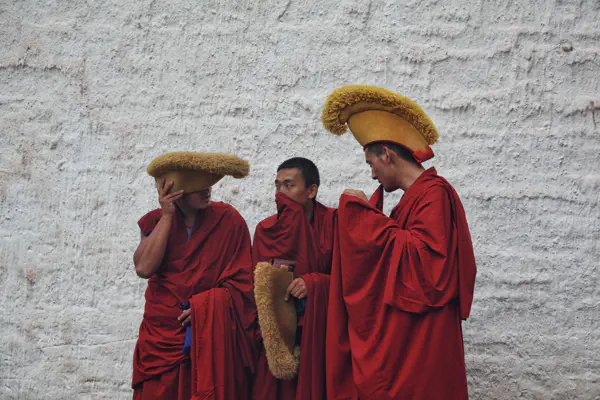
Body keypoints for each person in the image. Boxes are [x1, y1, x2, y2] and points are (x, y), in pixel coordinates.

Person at [321, 85, 477, 399]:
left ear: (387, 155)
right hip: (414, 338)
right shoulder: (412, 200)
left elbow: (428, 268)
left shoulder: (434, 194)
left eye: (371, 164)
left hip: (428, 340)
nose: (372, 175)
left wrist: (362, 218)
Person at [132, 152, 257, 400]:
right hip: (162, 338)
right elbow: (144, 268)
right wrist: (167, 215)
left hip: (210, 336)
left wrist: (206, 307)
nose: (206, 191)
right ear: (175, 191)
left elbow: (243, 282)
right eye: (197, 187)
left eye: (208, 185)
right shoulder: (156, 220)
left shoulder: (228, 221)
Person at [252, 157, 336, 400]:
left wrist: (315, 283)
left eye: (289, 185)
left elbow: (354, 279)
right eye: (277, 186)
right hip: (280, 335)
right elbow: (257, 289)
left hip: (324, 334)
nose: (280, 193)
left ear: (311, 190)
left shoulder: (334, 224)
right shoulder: (266, 230)